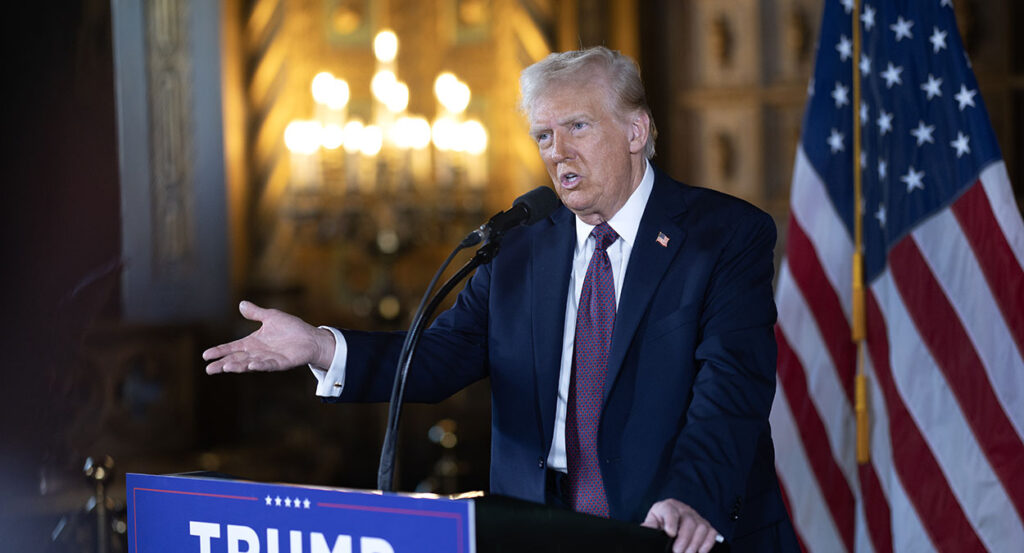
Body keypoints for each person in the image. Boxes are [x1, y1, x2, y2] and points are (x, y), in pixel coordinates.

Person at [204, 47, 798, 553]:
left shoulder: (723, 236)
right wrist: (319, 346)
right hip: (539, 525)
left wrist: (691, 496)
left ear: (636, 131)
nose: (557, 151)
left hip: (673, 524)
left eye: (577, 127)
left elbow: (731, 388)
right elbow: (442, 355)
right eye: (544, 135)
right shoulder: (519, 243)